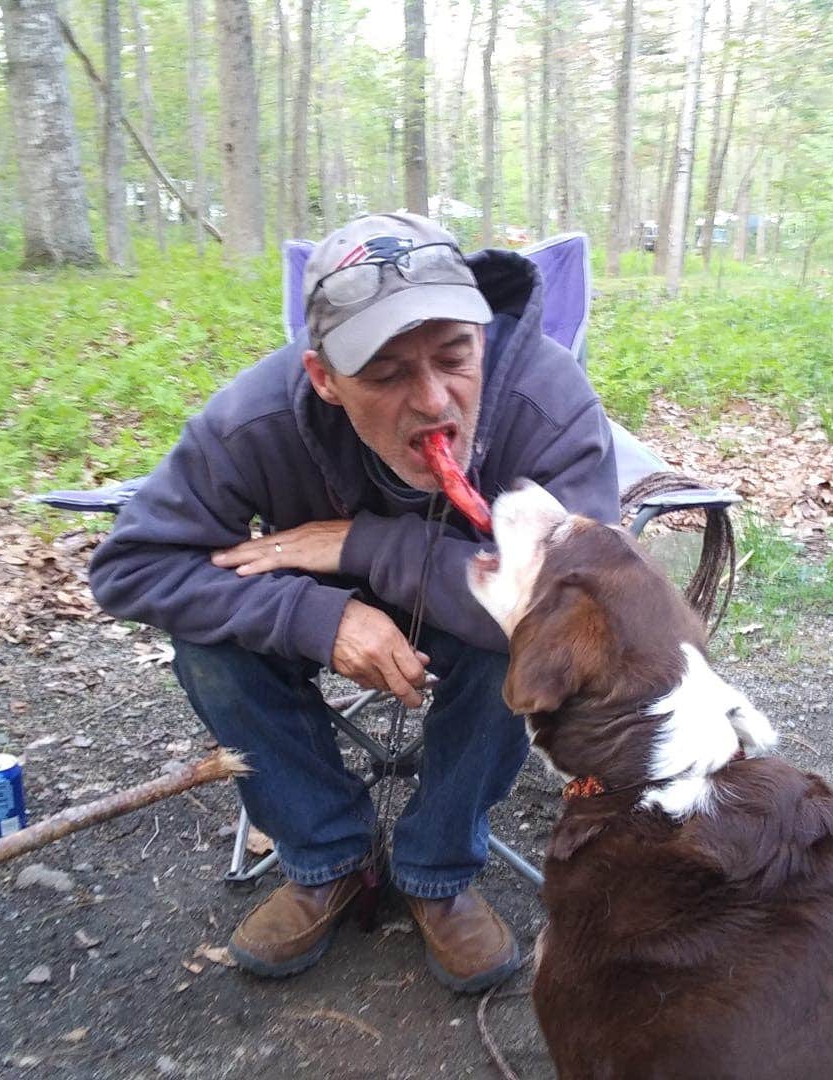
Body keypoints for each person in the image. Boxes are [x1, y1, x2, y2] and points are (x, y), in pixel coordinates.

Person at [89, 212, 618, 993]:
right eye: (386, 373)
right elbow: (133, 566)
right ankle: (326, 856)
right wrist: (319, 617)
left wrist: (363, 544)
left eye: (453, 357)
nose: (434, 399)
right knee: (209, 645)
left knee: (519, 640)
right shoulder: (255, 420)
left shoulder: (546, 401)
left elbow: (580, 603)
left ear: (481, 337)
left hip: (473, 608)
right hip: (318, 592)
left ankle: (438, 868)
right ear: (323, 378)